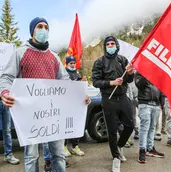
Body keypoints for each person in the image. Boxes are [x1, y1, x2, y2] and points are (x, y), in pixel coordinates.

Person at [0, 17, 91, 172]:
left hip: (53, 115)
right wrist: (5, 92)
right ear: (32, 30)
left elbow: (65, 81)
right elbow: (7, 77)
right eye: (39, 26)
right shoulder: (20, 52)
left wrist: (79, 96)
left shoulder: (54, 57)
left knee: (58, 155)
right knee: (31, 157)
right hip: (30, 115)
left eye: (46, 27)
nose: (43, 29)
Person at [92, 36, 134, 172]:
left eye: (113, 43)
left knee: (130, 125)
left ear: (116, 45)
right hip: (108, 98)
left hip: (123, 97)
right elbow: (96, 82)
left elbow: (129, 79)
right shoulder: (99, 62)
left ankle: (120, 146)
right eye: (108, 44)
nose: (111, 46)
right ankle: (116, 157)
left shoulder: (123, 60)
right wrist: (111, 83)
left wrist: (130, 72)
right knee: (112, 130)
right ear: (105, 47)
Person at [0, 46, 20, 171]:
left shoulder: (8, 66)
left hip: (6, 100)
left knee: (7, 130)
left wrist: (10, 48)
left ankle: (8, 155)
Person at [135, 72, 165, 164]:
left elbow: (161, 90)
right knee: (145, 128)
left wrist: (161, 104)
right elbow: (139, 84)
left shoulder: (158, 73)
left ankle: (150, 148)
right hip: (145, 103)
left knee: (152, 128)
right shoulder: (140, 72)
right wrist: (146, 73)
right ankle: (142, 150)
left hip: (156, 105)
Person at [64, 55, 86, 157]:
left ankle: (75, 146)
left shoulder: (77, 74)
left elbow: (80, 89)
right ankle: (64, 146)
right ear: (66, 64)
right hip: (66, 104)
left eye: (74, 63)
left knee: (75, 125)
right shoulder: (63, 74)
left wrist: (83, 83)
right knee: (65, 126)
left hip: (77, 104)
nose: (73, 65)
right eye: (70, 63)